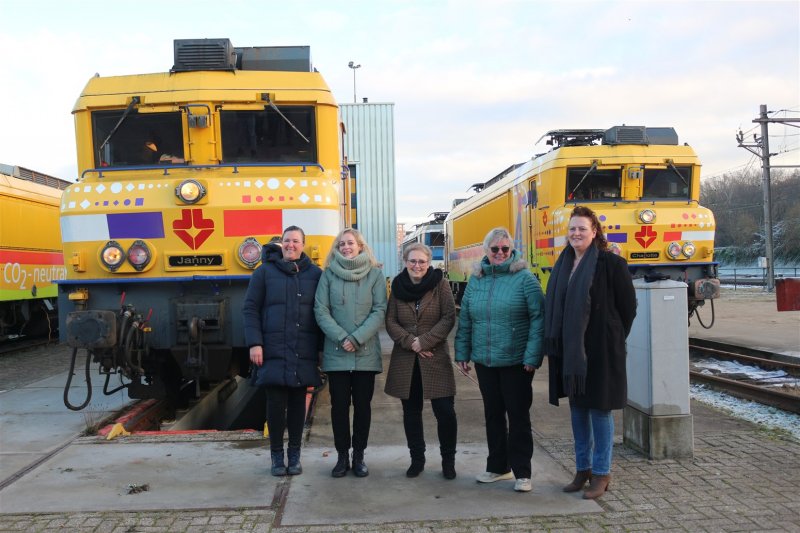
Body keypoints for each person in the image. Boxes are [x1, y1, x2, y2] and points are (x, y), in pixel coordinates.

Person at [544, 206, 636, 499]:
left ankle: (601, 472)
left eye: (582, 228)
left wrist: (611, 334)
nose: (576, 234)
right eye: (572, 229)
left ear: (594, 231)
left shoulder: (611, 264)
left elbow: (628, 308)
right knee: (578, 411)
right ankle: (582, 469)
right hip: (572, 354)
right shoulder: (563, 265)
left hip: (601, 351)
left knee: (600, 410)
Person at [454, 227, 545, 493]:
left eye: (505, 249)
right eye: (495, 249)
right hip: (485, 361)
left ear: (512, 250)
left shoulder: (525, 279)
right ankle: (498, 467)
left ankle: (522, 472)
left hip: (517, 362)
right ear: (487, 251)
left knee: (518, 416)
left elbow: (538, 319)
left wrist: (532, 356)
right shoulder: (476, 280)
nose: (500, 253)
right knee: (493, 415)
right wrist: (462, 353)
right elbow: (467, 319)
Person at [242, 226, 322, 477]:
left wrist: (321, 349)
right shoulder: (263, 273)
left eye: (296, 241)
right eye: (287, 241)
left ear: (303, 245)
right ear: (280, 244)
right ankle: (277, 456)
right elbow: (250, 309)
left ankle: (295, 455)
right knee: (275, 404)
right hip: (273, 348)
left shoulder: (316, 274)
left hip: (303, 348)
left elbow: (322, 312)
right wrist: (255, 342)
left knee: (298, 404)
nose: (291, 245)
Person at [314, 228, 387, 478]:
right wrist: (342, 337)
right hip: (337, 355)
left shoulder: (375, 275)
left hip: (365, 354)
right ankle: (342, 456)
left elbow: (379, 310)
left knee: (363, 407)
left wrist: (356, 338)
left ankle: (359, 456)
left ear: (360, 246)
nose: (346, 247)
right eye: (342, 244)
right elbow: (321, 310)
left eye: (351, 243)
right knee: (339, 407)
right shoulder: (328, 276)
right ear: (337, 248)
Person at [384, 243, 458, 480]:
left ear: (429, 263)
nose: (417, 266)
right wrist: (410, 342)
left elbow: (448, 317)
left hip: (434, 357)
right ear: (405, 262)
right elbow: (390, 321)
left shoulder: (441, 285)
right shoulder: (397, 287)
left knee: (445, 411)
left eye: (422, 262)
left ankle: (448, 461)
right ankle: (417, 459)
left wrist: (424, 342)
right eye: (412, 261)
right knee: (411, 413)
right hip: (406, 360)